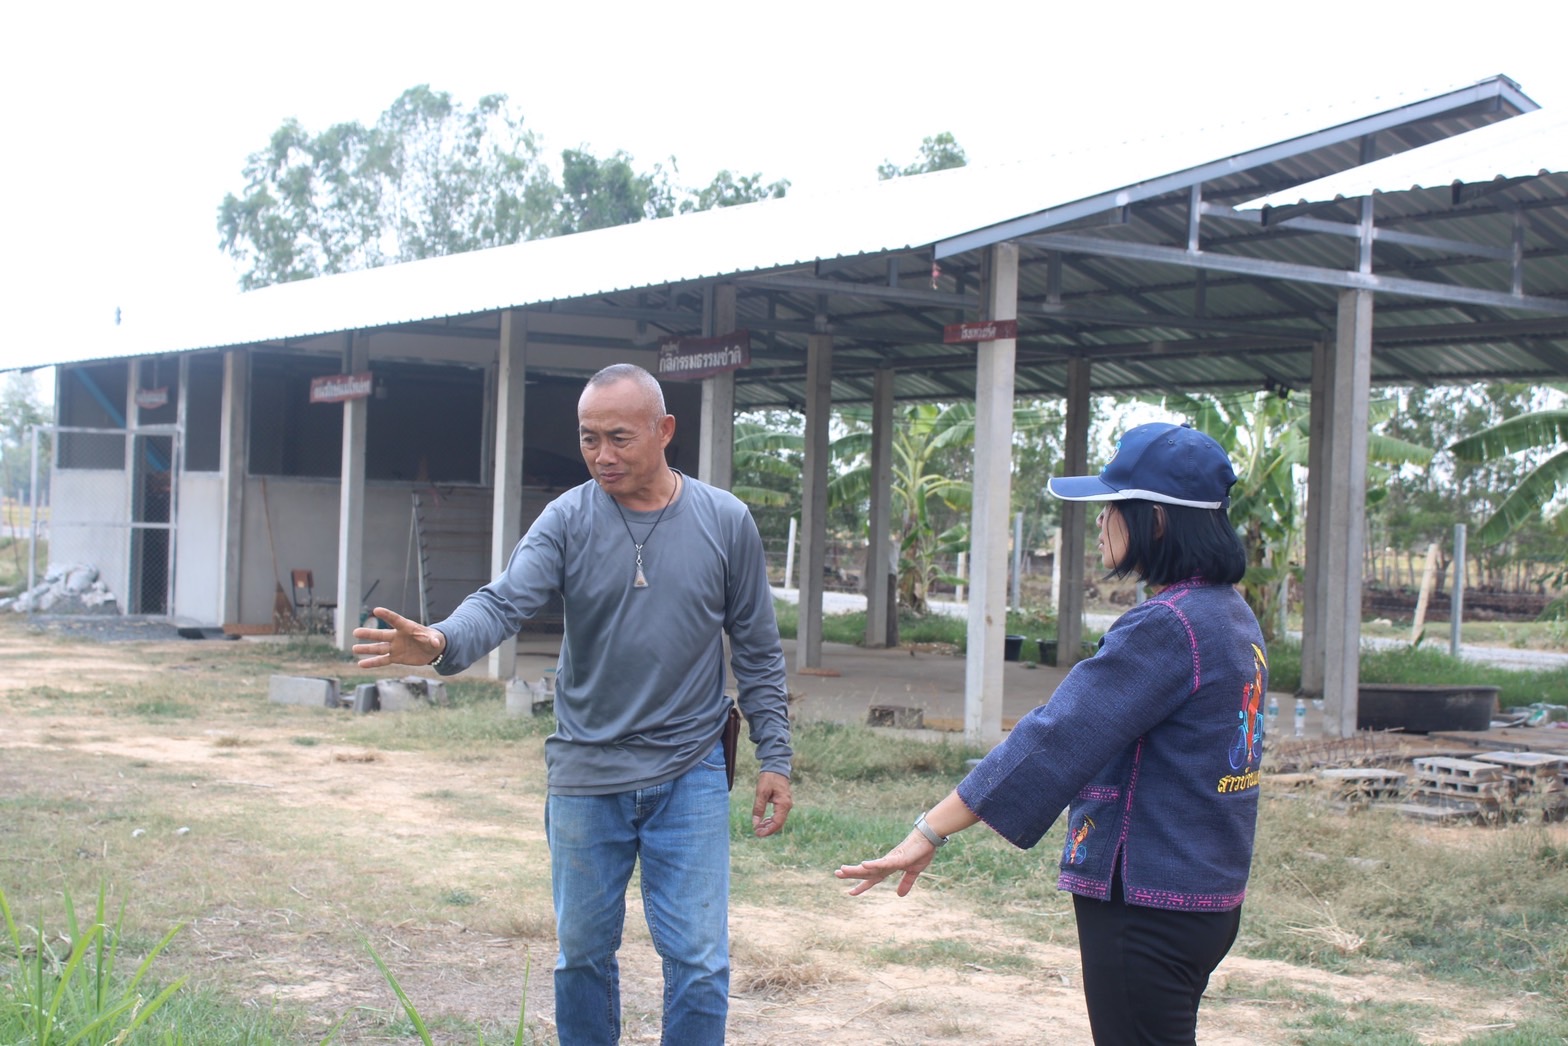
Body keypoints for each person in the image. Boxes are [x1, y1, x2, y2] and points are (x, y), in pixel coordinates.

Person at [354, 363, 793, 1045]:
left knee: (701, 962)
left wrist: (776, 756)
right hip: (587, 773)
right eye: (589, 439)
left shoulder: (724, 521)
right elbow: (504, 601)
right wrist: (442, 639)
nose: (602, 455)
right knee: (582, 956)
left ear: (664, 430)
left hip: (691, 770)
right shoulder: (567, 519)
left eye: (619, 438)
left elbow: (758, 650)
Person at [836, 421, 1267, 1045]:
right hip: (1203, 894)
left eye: (1112, 506)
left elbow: (1055, 737)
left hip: (1146, 901)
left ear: (1157, 521)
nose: (1101, 521)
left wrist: (929, 831)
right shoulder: (1229, 613)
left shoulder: (1168, 625)